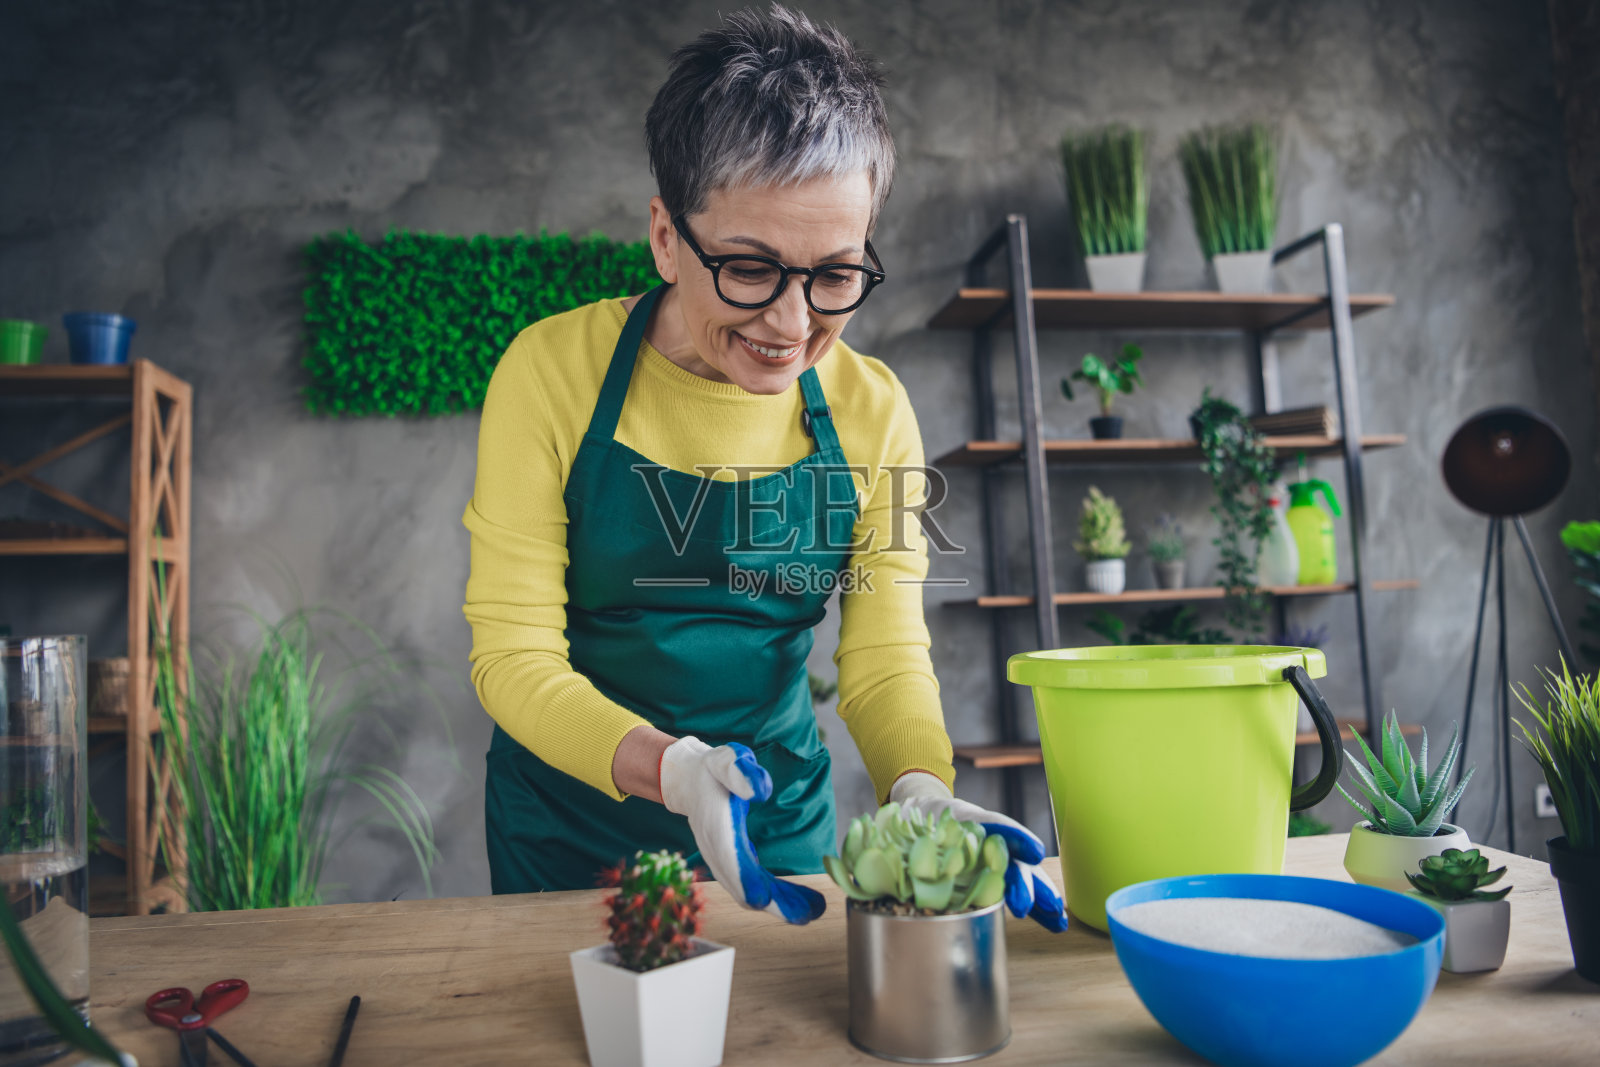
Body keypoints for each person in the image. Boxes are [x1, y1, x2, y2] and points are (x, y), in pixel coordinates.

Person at [463, 3, 1065, 930]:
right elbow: (514, 657)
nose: (792, 324)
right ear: (666, 238)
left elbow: (885, 658)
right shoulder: (550, 374)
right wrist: (673, 768)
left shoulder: (873, 410)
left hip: (772, 826)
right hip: (570, 835)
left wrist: (922, 789)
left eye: (836, 274)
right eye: (749, 268)